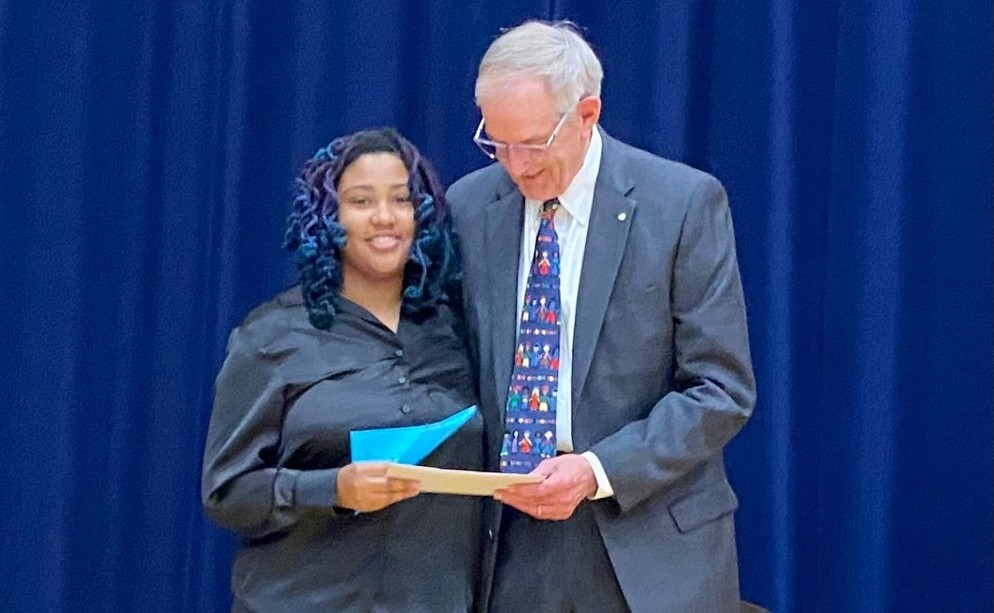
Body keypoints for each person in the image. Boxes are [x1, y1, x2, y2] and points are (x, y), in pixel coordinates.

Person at [447, 21, 756, 613]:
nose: (516, 166)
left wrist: (595, 470)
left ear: (587, 114)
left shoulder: (682, 205)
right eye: (497, 143)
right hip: (511, 545)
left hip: (647, 541)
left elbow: (721, 390)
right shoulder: (470, 205)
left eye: (532, 143)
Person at [202, 127, 482, 613]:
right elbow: (227, 492)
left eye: (401, 199)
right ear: (328, 217)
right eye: (361, 201)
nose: (384, 217)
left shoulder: (459, 330)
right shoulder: (272, 336)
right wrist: (332, 488)